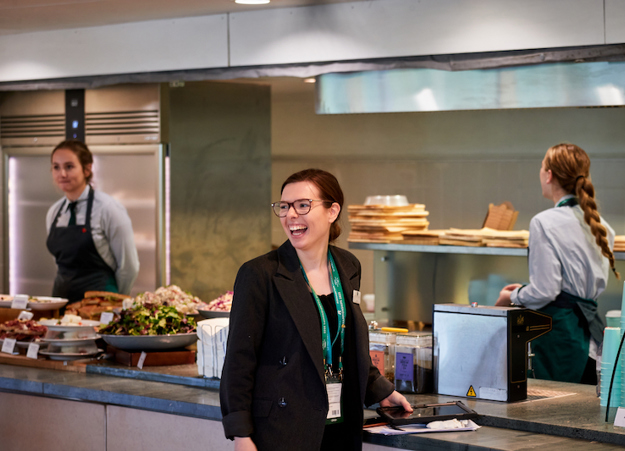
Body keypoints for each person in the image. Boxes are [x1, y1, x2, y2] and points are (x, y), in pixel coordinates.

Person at [220, 169, 411, 451]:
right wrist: (241, 435)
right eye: (284, 207)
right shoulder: (259, 274)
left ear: (332, 211)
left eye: (303, 205)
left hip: (340, 426)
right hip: (281, 430)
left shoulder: (348, 266)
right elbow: (239, 360)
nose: (291, 215)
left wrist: (382, 390)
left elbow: (348, 345)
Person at [496, 143, 619, 384]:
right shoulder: (603, 226)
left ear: (549, 175)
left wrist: (513, 296)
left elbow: (545, 290)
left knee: (552, 412)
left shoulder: (544, 222)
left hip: (559, 338)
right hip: (593, 340)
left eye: (542, 167)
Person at [46, 140, 140, 305]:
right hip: (62, 302)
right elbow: (60, 263)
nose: (62, 174)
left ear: (87, 168)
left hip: (100, 305)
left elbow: (129, 267)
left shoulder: (108, 209)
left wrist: (116, 301)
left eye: (69, 166)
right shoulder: (54, 212)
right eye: (56, 167)